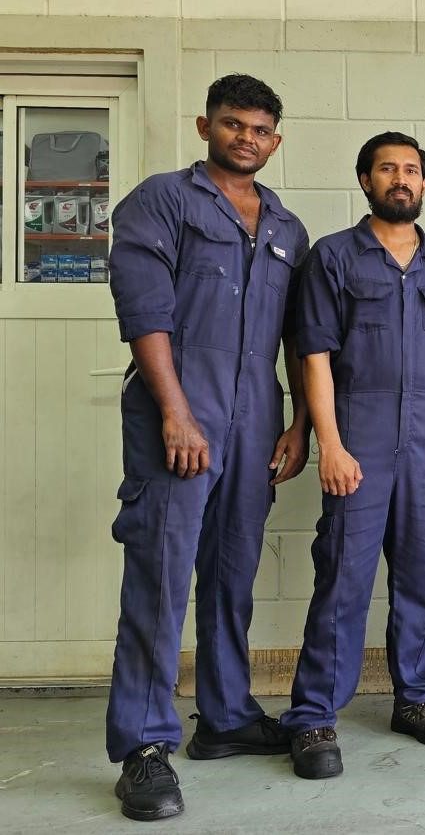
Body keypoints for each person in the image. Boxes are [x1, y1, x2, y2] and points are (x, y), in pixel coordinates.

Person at [106, 74, 310, 821]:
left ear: (275, 141)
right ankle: (143, 745)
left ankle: (225, 717)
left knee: (232, 574)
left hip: (256, 420)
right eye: (232, 124)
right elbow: (144, 312)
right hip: (180, 413)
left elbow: (298, 338)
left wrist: (299, 424)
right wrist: (175, 412)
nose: (245, 139)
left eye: (259, 130)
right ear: (205, 127)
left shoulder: (286, 227)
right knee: (160, 577)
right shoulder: (162, 200)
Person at [280, 132, 425, 780]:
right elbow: (314, 356)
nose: (400, 179)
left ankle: (417, 697)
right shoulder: (335, 256)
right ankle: (313, 716)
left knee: (417, 574)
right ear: (365, 180)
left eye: (411, 170)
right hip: (356, 437)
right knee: (343, 575)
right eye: (388, 168)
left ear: (424, 183)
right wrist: (328, 443)